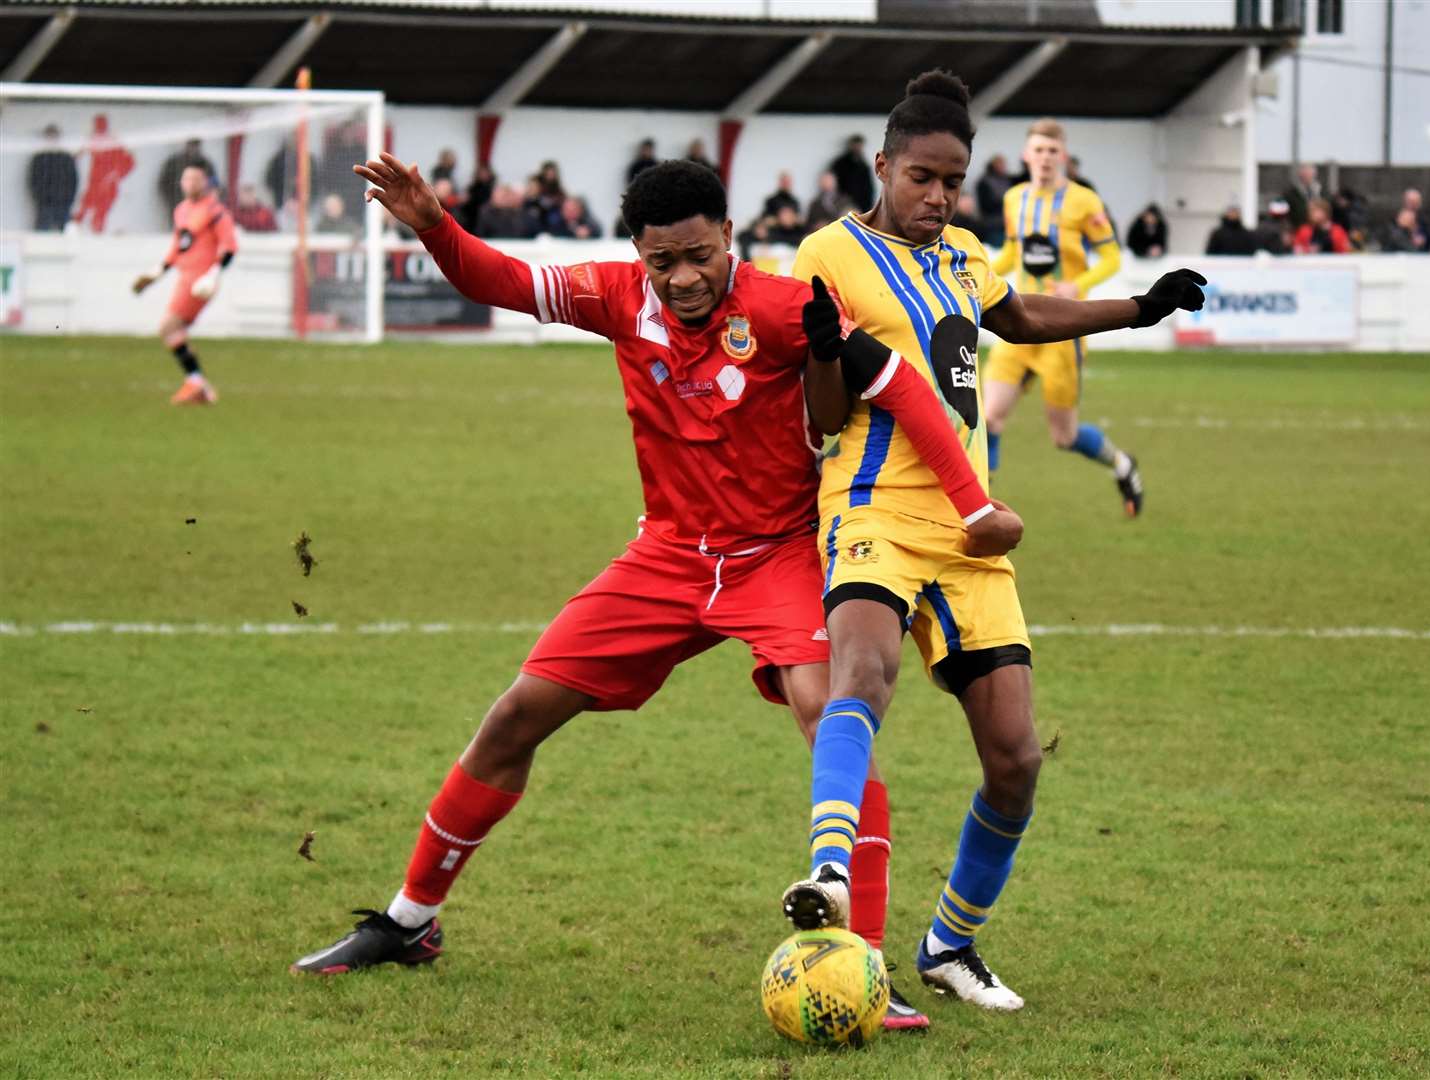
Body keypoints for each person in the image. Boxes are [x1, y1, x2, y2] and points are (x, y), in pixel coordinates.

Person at [296, 153, 1024, 1035]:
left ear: (730, 237)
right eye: (661, 262)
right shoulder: (614, 297)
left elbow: (901, 386)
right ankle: (411, 920)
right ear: (638, 256)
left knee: (831, 714)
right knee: (515, 715)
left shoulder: (784, 306)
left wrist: (974, 504)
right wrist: (434, 226)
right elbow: (503, 278)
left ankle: (864, 962)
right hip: (667, 559)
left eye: (698, 256)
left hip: (778, 557)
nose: (682, 279)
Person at [781, 70, 1204, 1011]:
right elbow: (820, 409)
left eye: (954, 180)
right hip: (872, 507)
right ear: (883, 165)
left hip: (971, 531)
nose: (939, 196)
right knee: (864, 677)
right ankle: (831, 873)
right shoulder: (825, 254)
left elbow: (1023, 318)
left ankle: (949, 945)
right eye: (923, 177)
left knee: (1014, 758)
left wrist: (1140, 308)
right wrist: (817, 350)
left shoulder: (968, 254)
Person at [982, 118, 1139, 513]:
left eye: (1052, 151)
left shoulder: (1084, 201)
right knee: (988, 418)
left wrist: (1078, 284)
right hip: (1014, 321)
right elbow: (1011, 256)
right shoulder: (1014, 198)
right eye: (1038, 150)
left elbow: (1112, 257)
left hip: (1061, 330)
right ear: (1026, 155)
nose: (1045, 158)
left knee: (1063, 436)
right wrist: (978, 270)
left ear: (1063, 156)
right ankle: (982, 507)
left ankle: (1122, 464)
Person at [130, 165, 236, 405]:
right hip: (183, 277)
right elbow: (179, 246)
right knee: (174, 331)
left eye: (195, 178)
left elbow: (229, 246)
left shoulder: (216, 211)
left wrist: (213, 274)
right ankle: (199, 387)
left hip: (200, 281)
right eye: (186, 178)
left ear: (206, 183)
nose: (189, 183)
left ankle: (196, 383)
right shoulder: (181, 211)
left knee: (169, 327)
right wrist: (157, 272)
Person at [74, 114, 133, 234]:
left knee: (100, 214)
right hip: (94, 183)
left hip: (108, 185)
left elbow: (130, 162)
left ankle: (98, 237)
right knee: (83, 211)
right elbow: (77, 154)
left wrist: (116, 175)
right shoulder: (93, 140)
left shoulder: (114, 143)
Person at [27, 124, 78, 231]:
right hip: (45, 204)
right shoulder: (39, 158)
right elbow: (33, 180)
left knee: (66, 239)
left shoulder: (66, 157)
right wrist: (40, 199)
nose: (52, 139)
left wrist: (68, 200)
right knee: (41, 237)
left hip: (64, 204)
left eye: (54, 136)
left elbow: (73, 181)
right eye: (49, 136)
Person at [157, 138, 216, 211]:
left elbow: (214, 184)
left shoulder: (205, 163)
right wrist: (172, 201)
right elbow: (163, 184)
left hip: (200, 208)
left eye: (196, 145)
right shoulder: (174, 162)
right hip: (178, 205)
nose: (193, 149)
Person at [974, 154, 1012, 245]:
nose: (1003, 166)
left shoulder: (1006, 179)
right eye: (1000, 164)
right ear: (993, 165)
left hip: (1007, 223)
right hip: (992, 225)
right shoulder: (984, 182)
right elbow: (985, 206)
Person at [830, 134, 874, 212]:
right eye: (856, 145)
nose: (857, 148)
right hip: (843, 202)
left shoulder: (864, 165)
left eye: (859, 146)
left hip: (862, 204)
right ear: (850, 145)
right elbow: (833, 183)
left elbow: (868, 187)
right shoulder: (840, 163)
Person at [1283, 162, 1323, 228]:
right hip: (1298, 228)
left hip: (1319, 229)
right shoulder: (1290, 193)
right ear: (1300, 175)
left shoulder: (1322, 191)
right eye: (1305, 173)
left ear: (1314, 174)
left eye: (1309, 173)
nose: (1307, 176)